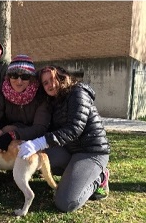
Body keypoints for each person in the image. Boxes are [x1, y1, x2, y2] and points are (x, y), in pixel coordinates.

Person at [18, 66, 110, 212]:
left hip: (91, 152)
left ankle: (100, 178)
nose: (49, 85)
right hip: (69, 149)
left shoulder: (78, 92)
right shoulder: (53, 101)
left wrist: (40, 142)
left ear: (61, 77)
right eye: (45, 83)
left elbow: (74, 128)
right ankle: (75, 175)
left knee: (65, 203)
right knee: (38, 160)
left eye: (52, 79)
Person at [0, 55, 51, 152]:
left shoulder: (40, 96)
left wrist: (13, 134)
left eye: (25, 76)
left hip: (35, 141)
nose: (19, 81)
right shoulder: (4, 93)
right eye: (14, 75)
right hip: (8, 136)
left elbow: (40, 128)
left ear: (31, 78)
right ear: (8, 77)